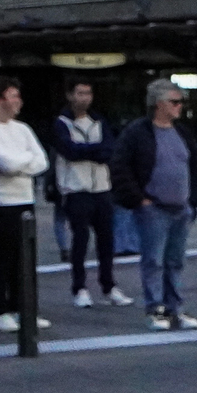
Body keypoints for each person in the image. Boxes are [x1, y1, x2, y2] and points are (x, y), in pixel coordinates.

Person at [112, 79, 197, 331]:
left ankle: (175, 307)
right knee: (154, 260)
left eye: (180, 102)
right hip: (154, 207)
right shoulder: (137, 132)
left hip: (180, 206)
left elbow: (195, 165)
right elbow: (121, 166)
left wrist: (194, 199)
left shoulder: (182, 132)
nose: (179, 107)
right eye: (174, 102)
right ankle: (155, 308)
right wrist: (138, 199)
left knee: (175, 260)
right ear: (158, 104)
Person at [0, 78, 52, 334]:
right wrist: (23, 164)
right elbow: (4, 163)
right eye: (13, 96)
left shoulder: (23, 129)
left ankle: (24, 309)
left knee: (24, 259)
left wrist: (20, 165)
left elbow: (42, 161)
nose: (18, 101)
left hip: (24, 201)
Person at [49, 80, 131, 308]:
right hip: (76, 189)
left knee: (106, 239)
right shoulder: (61, 123)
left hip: (101, 187)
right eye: (80, 93)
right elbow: (69, 151)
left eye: (88, 93)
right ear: (70, 96)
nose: (84, 97)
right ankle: (80, 287)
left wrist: (88, 151)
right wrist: (95, 151)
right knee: (80, 239)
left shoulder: (99, 121)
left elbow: (109, 150)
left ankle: (109, 285)